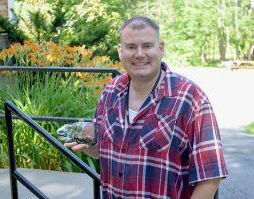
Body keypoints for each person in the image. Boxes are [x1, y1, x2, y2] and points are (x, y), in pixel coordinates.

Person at [65, 16, 228, 199]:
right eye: (131, 47)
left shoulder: (191, 98)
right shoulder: (111, 91)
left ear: (161, 48)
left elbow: (210, 176)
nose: (139, 54)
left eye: (147, 46)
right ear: (120, 51)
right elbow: (100, 153)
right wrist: (89, 145)